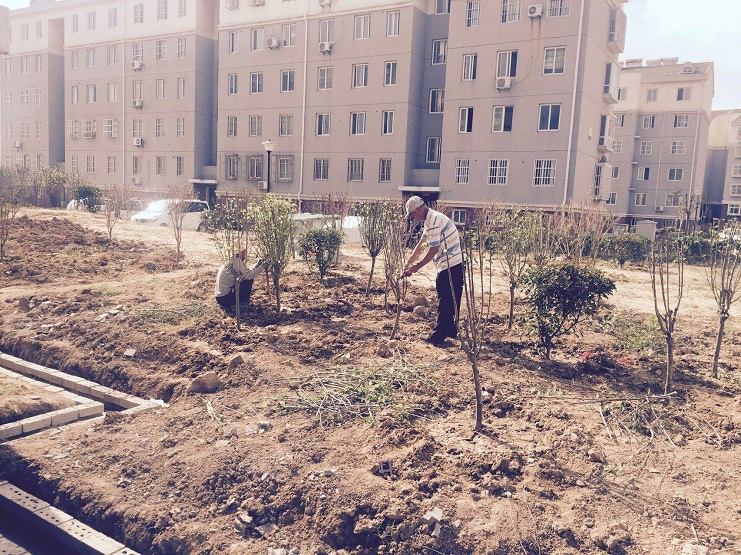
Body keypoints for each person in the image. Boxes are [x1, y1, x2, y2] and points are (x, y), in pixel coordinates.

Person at [402, 196, 463, 346]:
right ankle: (450, 330)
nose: (413, 218)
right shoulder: (429, 221)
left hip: (452, 265)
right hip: (450, 264)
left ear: (418, 210)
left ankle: (438, 336)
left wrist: (416, 267)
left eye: (413, 215)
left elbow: (432, 249)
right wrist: (409, 262)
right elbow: (422, 245)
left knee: (445, 301)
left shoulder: (434, 221)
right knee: (451, 300)